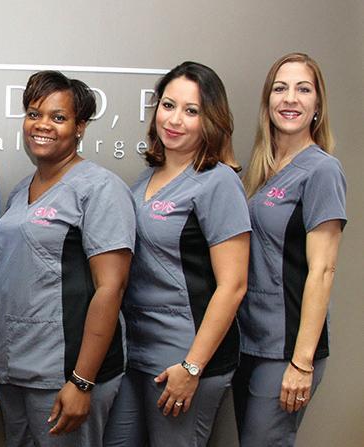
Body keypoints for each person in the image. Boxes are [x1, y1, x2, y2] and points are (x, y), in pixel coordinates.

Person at [0, 70, 135, 446]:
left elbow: (111, 288)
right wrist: (0, 363)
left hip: (64, 373)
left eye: (58, 117)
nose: (42, 125)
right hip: (16, 370)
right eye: (34, 114)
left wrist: (82, 381)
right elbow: (15, 281)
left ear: (80, 127)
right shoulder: (21, 191)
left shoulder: (100, 188)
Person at [104, 61, 251, 447]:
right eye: (168, 105)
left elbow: (233, 285)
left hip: (183, 358)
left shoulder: (218, 182)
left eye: (191, 111)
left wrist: (192, 366)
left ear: (210, 120)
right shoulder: (145, 179)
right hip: (136, 352)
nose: (174, 120)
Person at [233, 53, 346, 447]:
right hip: (249, 341)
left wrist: (302, 362)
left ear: (318, 104)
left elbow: (323, 271)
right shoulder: (262, 170)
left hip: (287, 348)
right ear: (267, 101)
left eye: (303, 89)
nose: (290, 98)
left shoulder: (322, 170)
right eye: (280, 88)